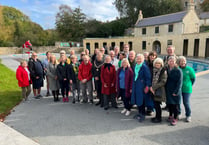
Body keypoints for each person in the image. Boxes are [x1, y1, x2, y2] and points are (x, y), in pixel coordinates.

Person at [131, 54, 151, 122]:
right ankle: (139, 113)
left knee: (142, 100)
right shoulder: (135, 66)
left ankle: (142, 114)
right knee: (137, 99)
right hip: (136, 85)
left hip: (142, 86)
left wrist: (147, 86)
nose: (139, 60)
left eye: (140, 59)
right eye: (137, 58)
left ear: (143, 60)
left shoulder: (144, 67)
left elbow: (148, 78)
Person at [166, 56, 182, 126]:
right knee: (169, 104)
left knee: (175, 105)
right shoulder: (166, 69)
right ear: (168, 62)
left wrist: (176, 91)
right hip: (168, 90)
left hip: (175, 90)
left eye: (173, 61)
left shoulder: (178, 70)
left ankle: (175, 118)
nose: (171, 62)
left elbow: (180, 82)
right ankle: (170, 115)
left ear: (175, 62)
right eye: (170, 61)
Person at [150, 58, 167, 123]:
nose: (157, 64)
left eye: (159, 63)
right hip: (153, 90)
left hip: (159, 90)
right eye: (156, 63)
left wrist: (153, 88)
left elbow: (163, 81)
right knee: (155, 104)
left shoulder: (163, 71)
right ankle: (156, 116)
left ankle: (159, 118)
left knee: (157, 104)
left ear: (161, 64)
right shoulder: (154, 70)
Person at [179, 56, 196, 122]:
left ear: (186, 62)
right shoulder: (178, 68)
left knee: (186, 102)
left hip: (187, 89)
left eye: (184, 61)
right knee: (178, 102)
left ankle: (188, 115)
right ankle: (179, 113)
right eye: (181, 61)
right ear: (179, 62)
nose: (182, 62)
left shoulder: (189, 69)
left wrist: (189, 85)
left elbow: (193, 79)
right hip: (179, 89)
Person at [145, 51, 157, 116]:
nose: (152, 57)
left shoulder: (157, 63)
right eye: (150, 55)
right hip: (147, 82)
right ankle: (148, 108)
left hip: (154, 83)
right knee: (147, 96)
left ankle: (152, 109)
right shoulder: (146, 63)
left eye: (153, 56)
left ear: (155, 56)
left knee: (153, 96)